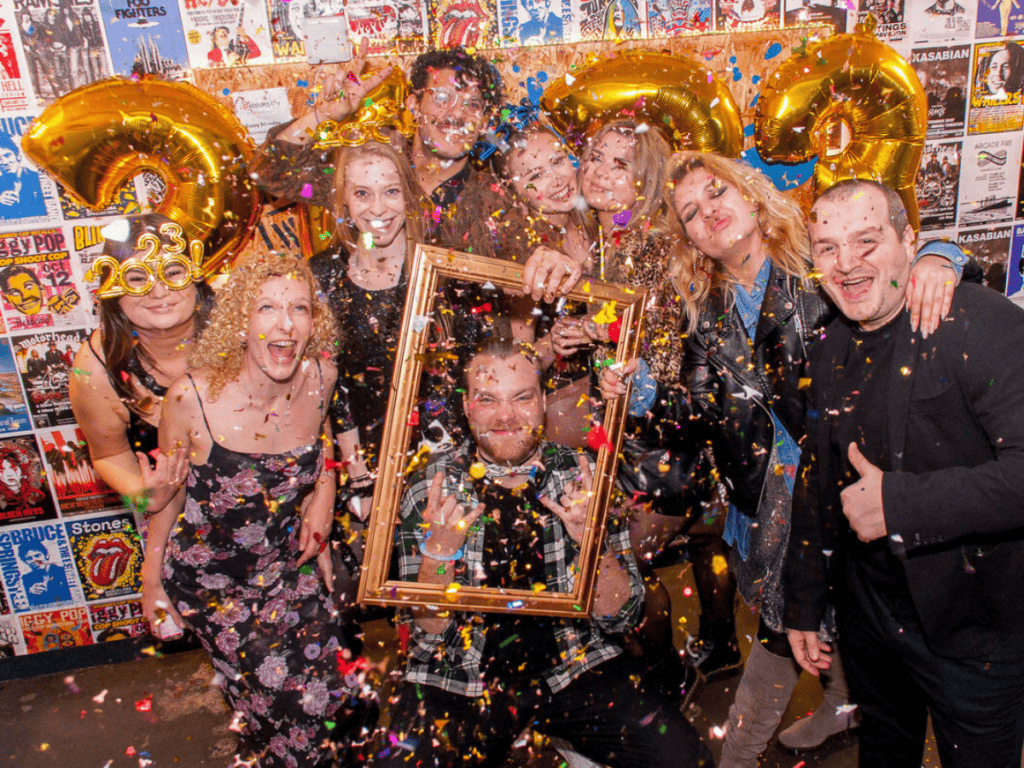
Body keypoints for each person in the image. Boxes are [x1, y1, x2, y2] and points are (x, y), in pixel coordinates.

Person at [601, 152, 969, 764]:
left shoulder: (821, 262)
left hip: (846, 487)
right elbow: (697, 416)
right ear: (688, 236)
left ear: (750, 193)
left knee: (785, 627)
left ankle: (739, 752)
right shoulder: (703, 311)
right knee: (823, 616)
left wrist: (942, 257)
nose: (708, 212)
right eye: (690, 211)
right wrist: (641, 393)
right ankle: (840, 705)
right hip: (758, 499)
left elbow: (900, 273)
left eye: (717, 192)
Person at [380, 326, 713, 768]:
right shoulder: (431, 488)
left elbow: (623, 615)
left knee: (686, 761)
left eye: (522, 398)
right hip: (460, 674)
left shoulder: (580, 475)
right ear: (465, 405)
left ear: (543, 402)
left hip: (573, 662)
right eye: (487, 399)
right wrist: (439, 554)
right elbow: (429, 633)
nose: (506, 416)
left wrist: (591, 543)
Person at [785, 179, 1024, 768]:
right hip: (872, 627)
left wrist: (902, 505)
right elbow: (815, 482)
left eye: (866, 241)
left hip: (975, 636)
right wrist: (805, 601)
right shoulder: (829, 347)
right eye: (828, 248)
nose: (847, 264)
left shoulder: (976, 321)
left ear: (909, 239)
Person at [142, 252, 371, 768]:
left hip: (289, 568)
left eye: (300, 309)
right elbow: (167, 499)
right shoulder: (190, 399)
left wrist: (323, 500)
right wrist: (151, 583)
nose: (285, 323)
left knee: (343, 693)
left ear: (315, 322)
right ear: (239, 322)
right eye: (266, 307)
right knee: (297, 710)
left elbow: (325, 444)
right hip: (213, 584)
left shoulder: (321, 376)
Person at [69, 214, 213, 533]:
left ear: (196, 276)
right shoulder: (94, 368)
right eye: (137, 278)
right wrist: (146, 500)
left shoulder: (243, 332)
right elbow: (107, 455)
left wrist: (321, 496)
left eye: (172, 272)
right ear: (112, 289)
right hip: (178, 532)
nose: (158, 292)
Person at [0, 134, 46, 220]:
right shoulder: (1, 184)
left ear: (18, 156)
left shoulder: (37, 178)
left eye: (7, 155)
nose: (4, 162)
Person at [19, 541, 72, 608]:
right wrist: (29, 593)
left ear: (47, 555)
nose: (35, 560)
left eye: (37, 555)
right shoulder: (26, 579)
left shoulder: (63, 572)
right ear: (25, 562)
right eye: (29, 558)